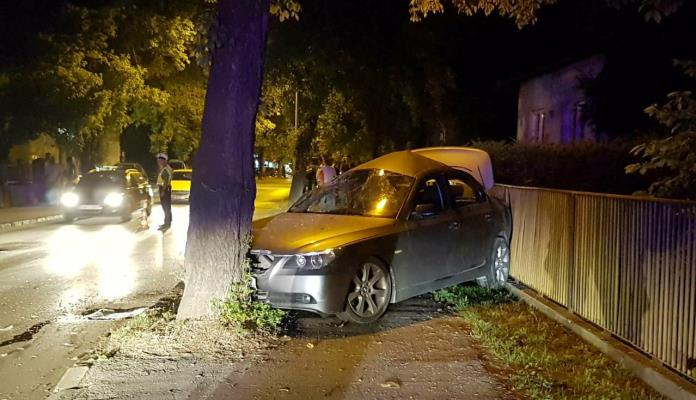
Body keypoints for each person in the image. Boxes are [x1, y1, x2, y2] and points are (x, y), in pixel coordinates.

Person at [156, 153, 173, 231]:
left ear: (164, 161)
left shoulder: (165, 170)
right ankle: (167, 222)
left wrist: (163, 191)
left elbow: (166, 181)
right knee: (167, 207)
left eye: (160, 160)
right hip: (166, 189)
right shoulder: (166, 168)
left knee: (165, 207)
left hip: (165, 189)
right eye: (158, 160)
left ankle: (167, 224)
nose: (158, 162)